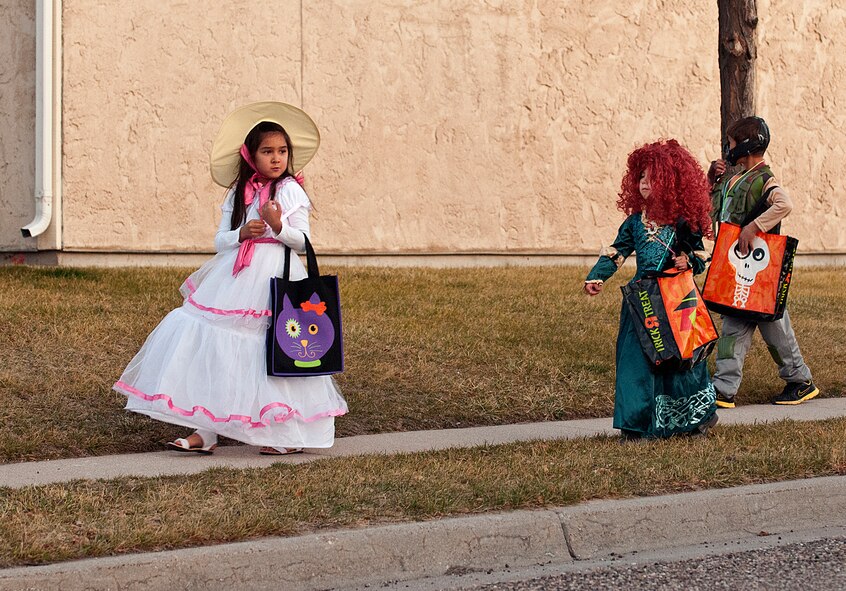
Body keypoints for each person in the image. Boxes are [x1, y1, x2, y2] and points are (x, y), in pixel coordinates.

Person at [114, 101, 348, 455]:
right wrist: (241, 233)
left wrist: (278, 226)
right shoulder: (240, 192)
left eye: (282, 151)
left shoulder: (290, 190)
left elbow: (303, 240)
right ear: (250, 156)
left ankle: (283, 433)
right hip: (237, 277)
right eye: (267, 151)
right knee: (217, 348)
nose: (276, 158)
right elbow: (220, 240)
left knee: (273, 351)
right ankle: (205, 430)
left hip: (276, 276)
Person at [584, 139, 718, 441]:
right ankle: (637, 424)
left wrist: (688, 262)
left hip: (676, 300)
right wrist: (598, 276)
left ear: (671, 183)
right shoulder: (634, 223)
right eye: (641, 177)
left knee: (683, 362)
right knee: (635, 361)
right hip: (642, 301)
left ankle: (693, 420)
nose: (645, 184)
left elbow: (701, 255)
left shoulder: (683, 223)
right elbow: (616, 252)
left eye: (652, 178)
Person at [707, 115, 818, 407]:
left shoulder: (765, 179)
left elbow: (784, 204)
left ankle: (797, 381)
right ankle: (725, 387)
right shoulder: (734, 178)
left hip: (758, 267)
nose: (727, 148)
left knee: (770, 323)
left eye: (731, 143)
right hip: (735, 265)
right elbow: (714, 211)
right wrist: (712, 180)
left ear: (745, 145)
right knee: (740, 322)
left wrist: (754, 227)